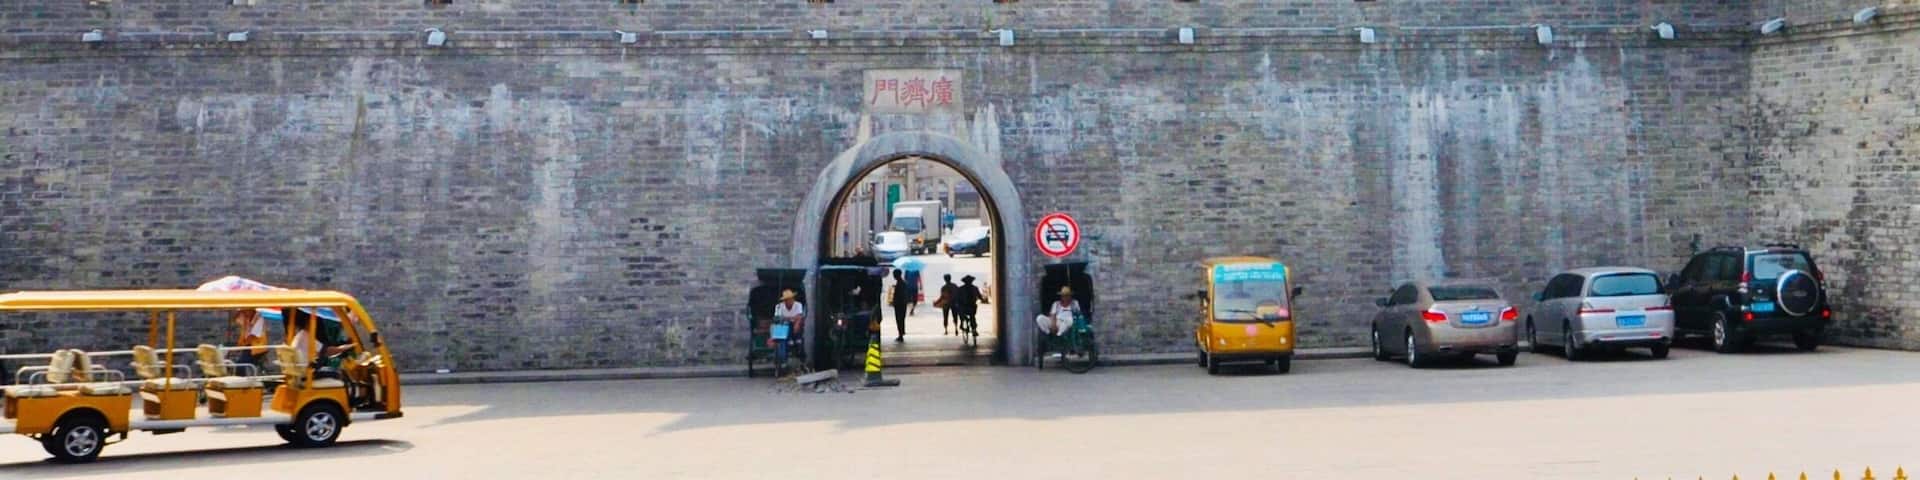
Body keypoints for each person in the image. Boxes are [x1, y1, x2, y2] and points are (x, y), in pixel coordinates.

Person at [888, 270, 911, 342]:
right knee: (901, 319)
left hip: (899, 305)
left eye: (894, 274)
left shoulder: (900, 284)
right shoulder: (902, 283)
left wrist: (894, 302)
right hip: (902, 304)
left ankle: (900, 334)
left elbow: (900, 295)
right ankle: (901, 333)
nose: (893, 276)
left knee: (899, 319)